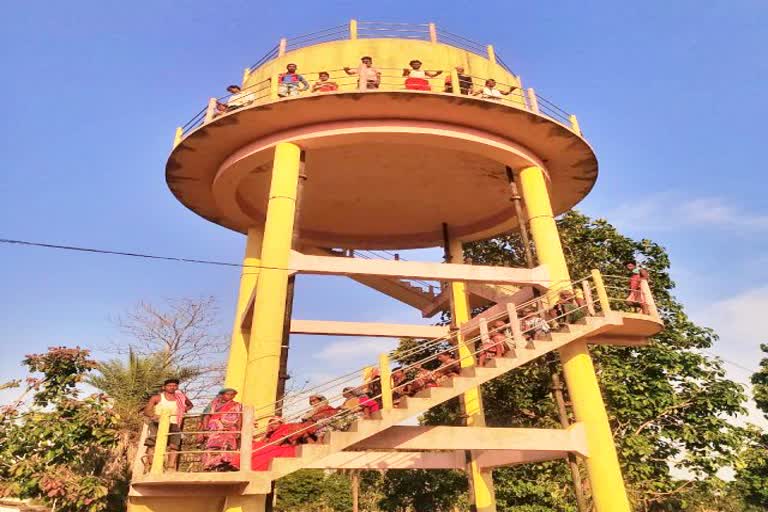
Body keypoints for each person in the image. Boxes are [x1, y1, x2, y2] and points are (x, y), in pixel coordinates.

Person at [143, 378, 193, 471]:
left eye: (174, 385)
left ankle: (170, 467)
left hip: (174, 423)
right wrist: (154, 415)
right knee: (152, 444)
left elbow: (190, 405)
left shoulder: (181, 397)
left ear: (177, 387)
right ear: (164, 387)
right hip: (157, 423)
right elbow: (146, 411)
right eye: (169, 385)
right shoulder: (157, 397)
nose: (172, 387)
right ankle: (150, 465)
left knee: (174, 446)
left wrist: (184, 409)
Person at [200, 388, 242, 471]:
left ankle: (225, 463)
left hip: (230, 429)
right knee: (212, 445)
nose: (230, 396)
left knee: (228, 445)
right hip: (215, 427)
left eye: (232, 394)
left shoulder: (237, 405)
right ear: (222, 395)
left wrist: (239, 430)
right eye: (228, 394)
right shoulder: (214, 404)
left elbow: (240, 417)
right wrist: (205, 429)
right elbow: (206, 416)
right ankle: (210, 464)